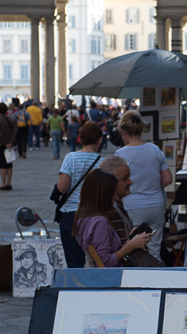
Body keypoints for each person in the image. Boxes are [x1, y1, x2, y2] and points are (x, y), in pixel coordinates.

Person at [114, 111, 171, 258]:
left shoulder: (120, 154)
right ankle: (154, 276)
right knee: (154, 249)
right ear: (141, 130)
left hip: (132, 206)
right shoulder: (155, 150)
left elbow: (116, 185)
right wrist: (151, 185)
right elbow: (167, 179)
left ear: (123, 131)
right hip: (156, 205)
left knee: (133, 249)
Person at [74, 170, 153, 267]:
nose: (116, 198)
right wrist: (130, 246)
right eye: (113, 193)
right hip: (112, 278)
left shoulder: (83, 217)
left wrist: (130, 242)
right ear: (103, 195)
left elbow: (104, 256)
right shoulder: (99, 222)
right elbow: (105, 263)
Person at [55, 121, 105, 268]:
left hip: (71, 214)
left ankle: (75, 288)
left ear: (80, 138)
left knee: (74, 261)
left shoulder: (70, 158)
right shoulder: (103, 163)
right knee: (96, 259)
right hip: (94, 215)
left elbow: (63, 187)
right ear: (99, 140)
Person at [0, 102, 17, 190]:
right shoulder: (11, 119)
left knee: (2, 165)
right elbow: (14, 132)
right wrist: (10, 143)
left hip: (0, 144)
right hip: (9, 144)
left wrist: (5, 143)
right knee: (9, 164)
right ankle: (9, 183)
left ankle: (4, 183)